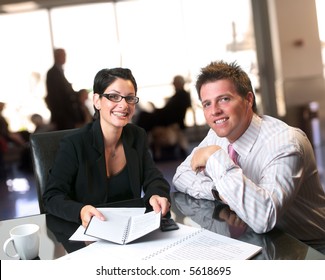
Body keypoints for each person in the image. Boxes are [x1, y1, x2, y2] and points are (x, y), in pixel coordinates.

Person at [172, 60, 325, 253]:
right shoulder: (217, 135)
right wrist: (218, 192)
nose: (214, 111)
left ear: (249, 100)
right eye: (207, 104)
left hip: (310, 249)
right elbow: (180, 177)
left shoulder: (285, 143)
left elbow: (263, 217)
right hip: (262, 243)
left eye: (224, 99)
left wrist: (215, 157)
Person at [43, 67, 171, 228]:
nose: (124, 105)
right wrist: (80, 211)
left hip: (129, 230)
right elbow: (52, 197)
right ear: (97, 101)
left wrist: (156, 195)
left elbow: (154, 178)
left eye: (129, 98)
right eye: (114, 96)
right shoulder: (74, 144)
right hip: (87, 234)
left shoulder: (137, 136)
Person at [136, 75, 192, 160]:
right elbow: (169, 110)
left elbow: (172, 112)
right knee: (144, 117)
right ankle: (138, 139)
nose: (173, 85)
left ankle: (136, 140)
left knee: (144, 116)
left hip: (170, 120)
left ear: (179, 83)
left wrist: (156, 111)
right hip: (168, 118)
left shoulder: (182, 95)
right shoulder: (179, 95)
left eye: (174, 83)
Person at [45, 48, 80, 130]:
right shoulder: (52, 73)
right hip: (62, 115)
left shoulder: (59, 71)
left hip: (65, 114)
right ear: (56, 56)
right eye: (63, 55)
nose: (65, 57)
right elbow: (56, 95)